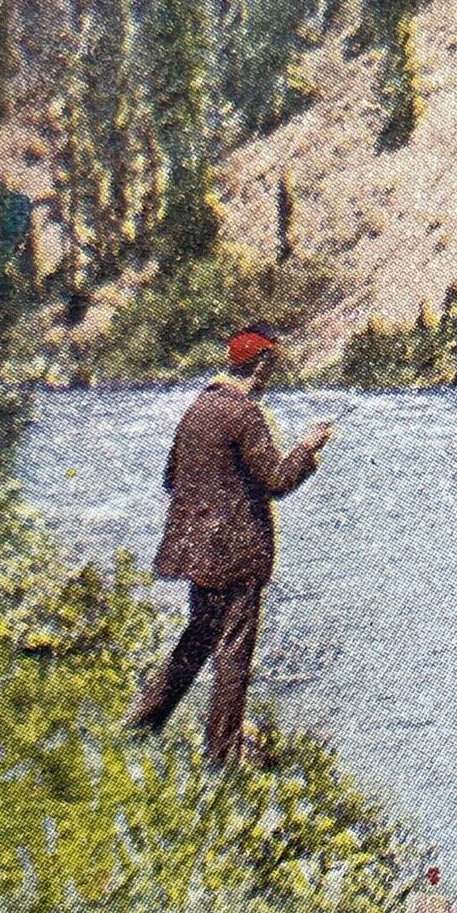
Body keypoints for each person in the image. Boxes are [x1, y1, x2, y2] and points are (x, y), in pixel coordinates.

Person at [128, 324, 332, 763]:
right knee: (233, 652)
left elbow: (171, 479)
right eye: (270, 366)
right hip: (236, 554)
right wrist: (307, 447)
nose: (269, 376)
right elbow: (277, 480)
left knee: (198, 636)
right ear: (259, 365)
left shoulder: (198, 408)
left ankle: (142, 724)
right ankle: (222, 754)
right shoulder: (244, 414)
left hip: (198, 551)